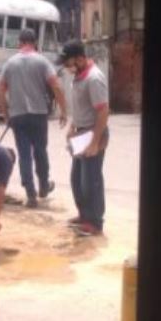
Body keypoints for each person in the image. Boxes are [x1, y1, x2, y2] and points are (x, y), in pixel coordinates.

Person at [0, 28, 68, 208]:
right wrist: (63, 110)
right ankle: (43, 186)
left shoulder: (10, 63)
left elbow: (0, 91)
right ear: (35, 43)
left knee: (24, 155)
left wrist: (5, 113)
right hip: (38, 114)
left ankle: (30, 195)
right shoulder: (42, 61)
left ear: (20, 43)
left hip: (18, 116)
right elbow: (56, 86)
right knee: (40, 151)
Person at [60, 40, 110, 236]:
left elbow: (103, 111)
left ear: (81, 58)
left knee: (91, 180)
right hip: (81, 132)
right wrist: (73, 126)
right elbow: (81, 106)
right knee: (77, 179)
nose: (68, 67)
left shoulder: (94, 78)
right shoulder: (79, 77)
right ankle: (84, 215)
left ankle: (95, 222)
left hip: (93, 132)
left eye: (70, 63)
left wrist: (95, 141)